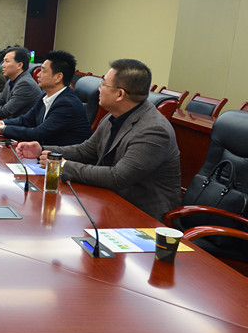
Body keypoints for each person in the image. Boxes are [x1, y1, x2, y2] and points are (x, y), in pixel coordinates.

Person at [16, 59, 180, 221]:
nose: (99, 89)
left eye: (103, 84)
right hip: (108, 201)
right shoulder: (113, 116)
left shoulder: (153, 130)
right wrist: (43, 150)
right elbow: (86, 150)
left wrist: (61, 165)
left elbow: (118, 177)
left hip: (142, 216)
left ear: (120, 94)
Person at [0, 50, 92, 146]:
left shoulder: (67, 104)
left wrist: (3, 129)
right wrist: (2, 123)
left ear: (58, 77)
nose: (38, 75)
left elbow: (39, 133)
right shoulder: (45, 95)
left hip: (62, 158)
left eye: (43, 71)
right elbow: (26, 120)